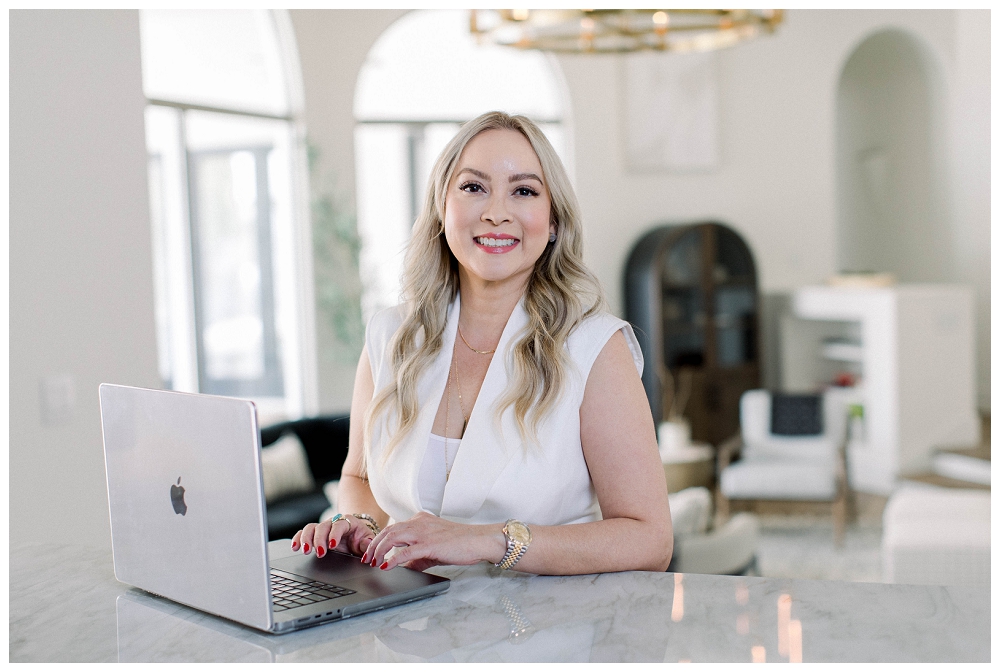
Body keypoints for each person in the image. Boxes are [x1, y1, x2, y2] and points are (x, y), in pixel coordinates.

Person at [292, 111, 672, 574]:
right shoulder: (391, 336)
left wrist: (488, 541)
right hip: (406, 631)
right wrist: (354, 523)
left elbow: (649, 538)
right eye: (473, 187)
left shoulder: (594, 348)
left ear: (553, 221)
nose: (496, 212)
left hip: (547, 633)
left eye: (524, 191)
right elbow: (359, 476)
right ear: (441, 206)